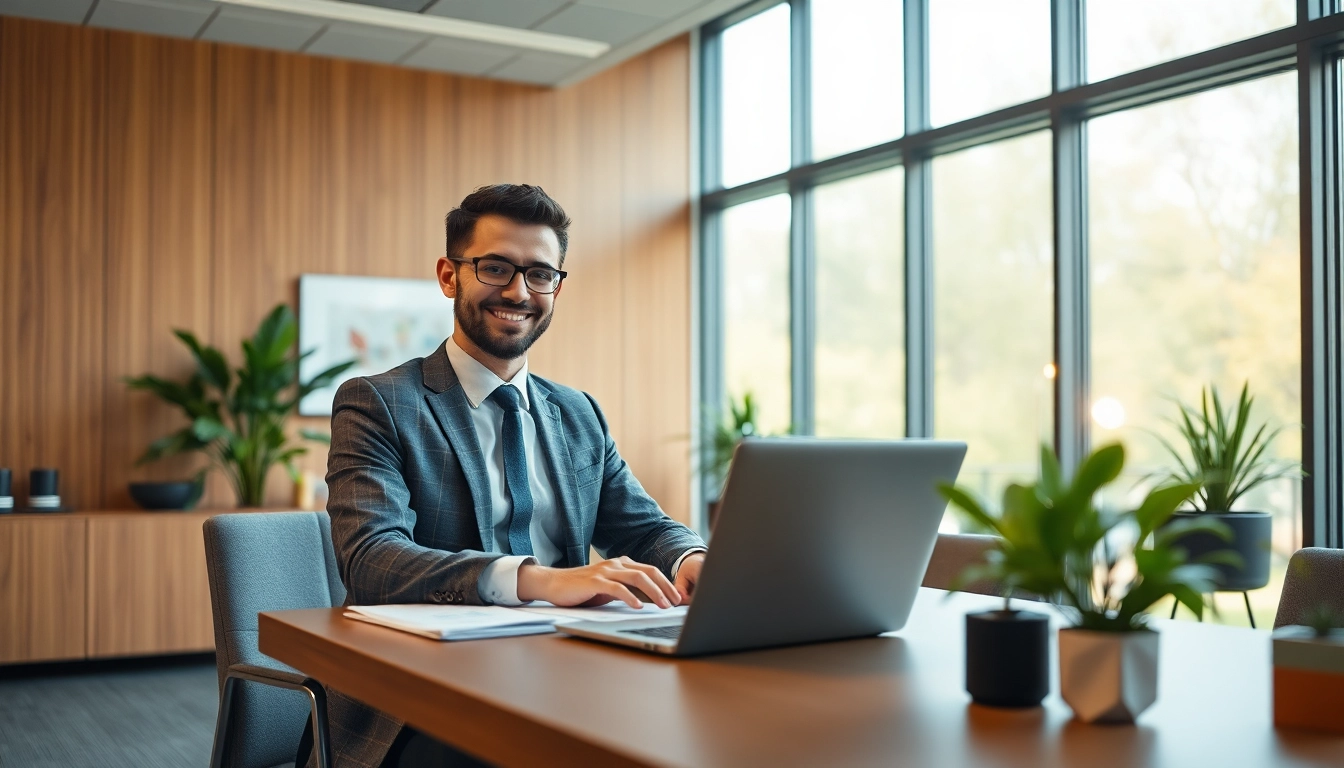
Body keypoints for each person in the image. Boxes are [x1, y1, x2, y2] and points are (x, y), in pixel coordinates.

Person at [309, 184, 708, 768]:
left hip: (571, 671)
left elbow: (642, 527)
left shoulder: (577, 413)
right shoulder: (380, 402)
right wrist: (541, 581)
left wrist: (691, 560)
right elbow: (371, 559)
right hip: (421, 697)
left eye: (540, 273)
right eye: (496, 268)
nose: (519, 291)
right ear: (450, 276)